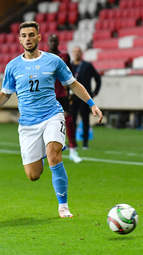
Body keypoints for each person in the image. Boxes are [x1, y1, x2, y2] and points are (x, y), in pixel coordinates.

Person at [0, 21, 103, 218]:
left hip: (52, 115)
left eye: (32, 34)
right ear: (19, 39)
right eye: (25, 35)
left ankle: (63, 206)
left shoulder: (54, 61)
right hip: (28, 124)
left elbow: (73, 84)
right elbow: (5, 94)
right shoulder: (13, 66)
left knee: (54, 156)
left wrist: (92, 104)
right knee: (33, 175)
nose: (28, 38)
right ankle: (47, 149)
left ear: (39, 37)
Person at [48, 33, 82, 163]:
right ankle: (41, 153)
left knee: (69, 120)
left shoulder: (65, 57)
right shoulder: (43, 56)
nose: (52, 43)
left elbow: (70, 76)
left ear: (58, 42)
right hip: (47, 95)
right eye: (50, 40)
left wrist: (72, 93)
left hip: (62, 94)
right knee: (43, 124)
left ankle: (73, 150)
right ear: (47, 42)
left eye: (55, 40)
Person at [71, 46, 101, 149]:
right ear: (72, 53)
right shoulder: (69, 65)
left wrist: (94, 93)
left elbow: (98, 78)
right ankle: (72, 142)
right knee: (71, 120)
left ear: (81, 53)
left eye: (78, 52)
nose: (76, 54)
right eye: (75, 52)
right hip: (72, 98)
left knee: (85, 119)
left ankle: (85, 143)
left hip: (84, 98)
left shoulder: (87, 66)